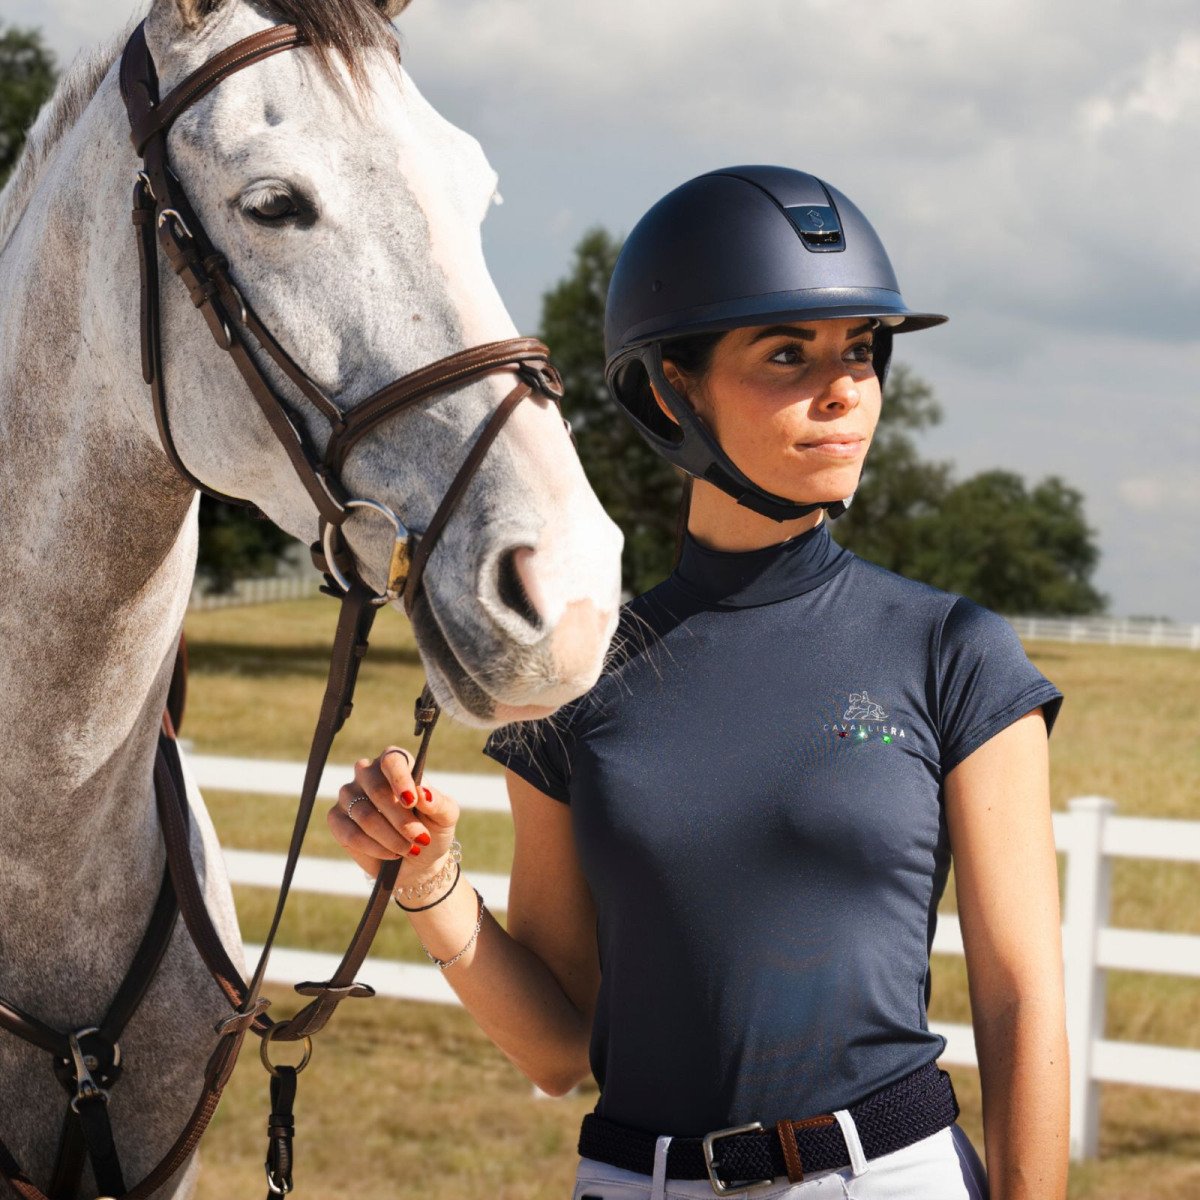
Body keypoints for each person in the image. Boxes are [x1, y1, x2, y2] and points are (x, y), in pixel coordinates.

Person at [328, 166, 1069, 1200]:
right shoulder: (579, 674)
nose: (846, 388)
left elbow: (1022, 999)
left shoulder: (954, 652)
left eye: (861, 351)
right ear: (670, 389)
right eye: (787, 354)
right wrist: (425, 884)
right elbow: (557, 1047)